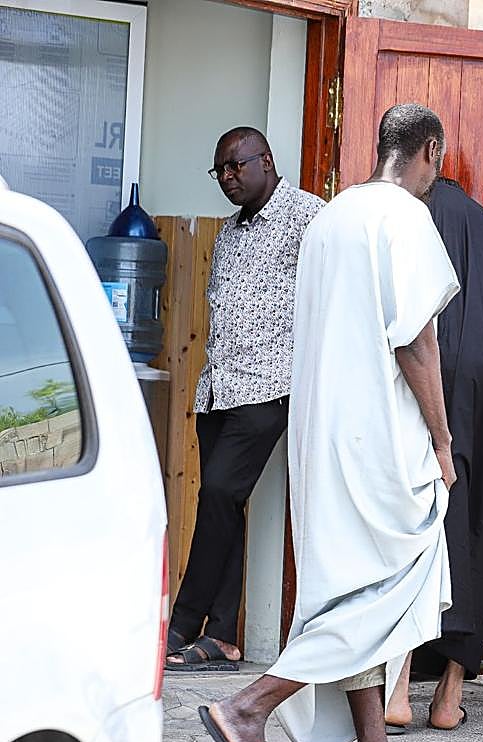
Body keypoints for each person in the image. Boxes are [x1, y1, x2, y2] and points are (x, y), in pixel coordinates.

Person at [197, 104, 459, 742]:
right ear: (427, 150)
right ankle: (249, 706)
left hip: (322, 437)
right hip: (380, 439)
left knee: (353, 592)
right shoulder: (404, 217)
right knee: (392, 590)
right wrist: (441, 438)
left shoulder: (332, 216)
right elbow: (416, 341)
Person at [166, 127, 323, 672]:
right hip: (218, 387)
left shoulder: (309, 216)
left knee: (217, 491)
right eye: (221, 172)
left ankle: (183, 623)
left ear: (266, 160)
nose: (228, 179)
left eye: (235, 167)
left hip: (269, 386)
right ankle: (223, 637)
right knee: (222, 505)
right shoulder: (231, 231)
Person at [384, 177, 483, 732]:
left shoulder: (416, 221)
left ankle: (398, 687)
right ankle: (448, 698)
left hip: (440, 382)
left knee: (431, 527)